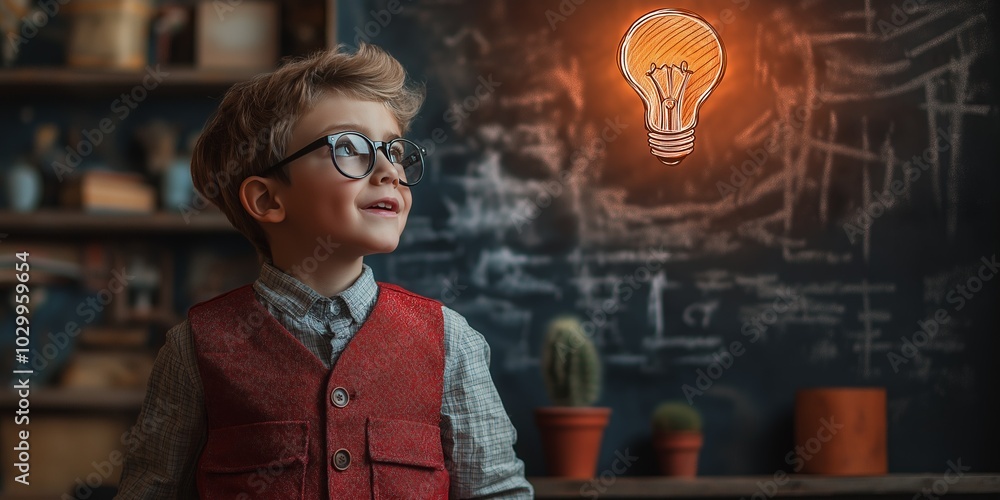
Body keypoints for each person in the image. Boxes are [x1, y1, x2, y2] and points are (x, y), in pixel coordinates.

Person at [115, 43, 533, 499]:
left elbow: (497, 491)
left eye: (394, 150)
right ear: (268, 200)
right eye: (349, 148)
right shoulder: (196, 347)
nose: (389, 170)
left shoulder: (450, 339)